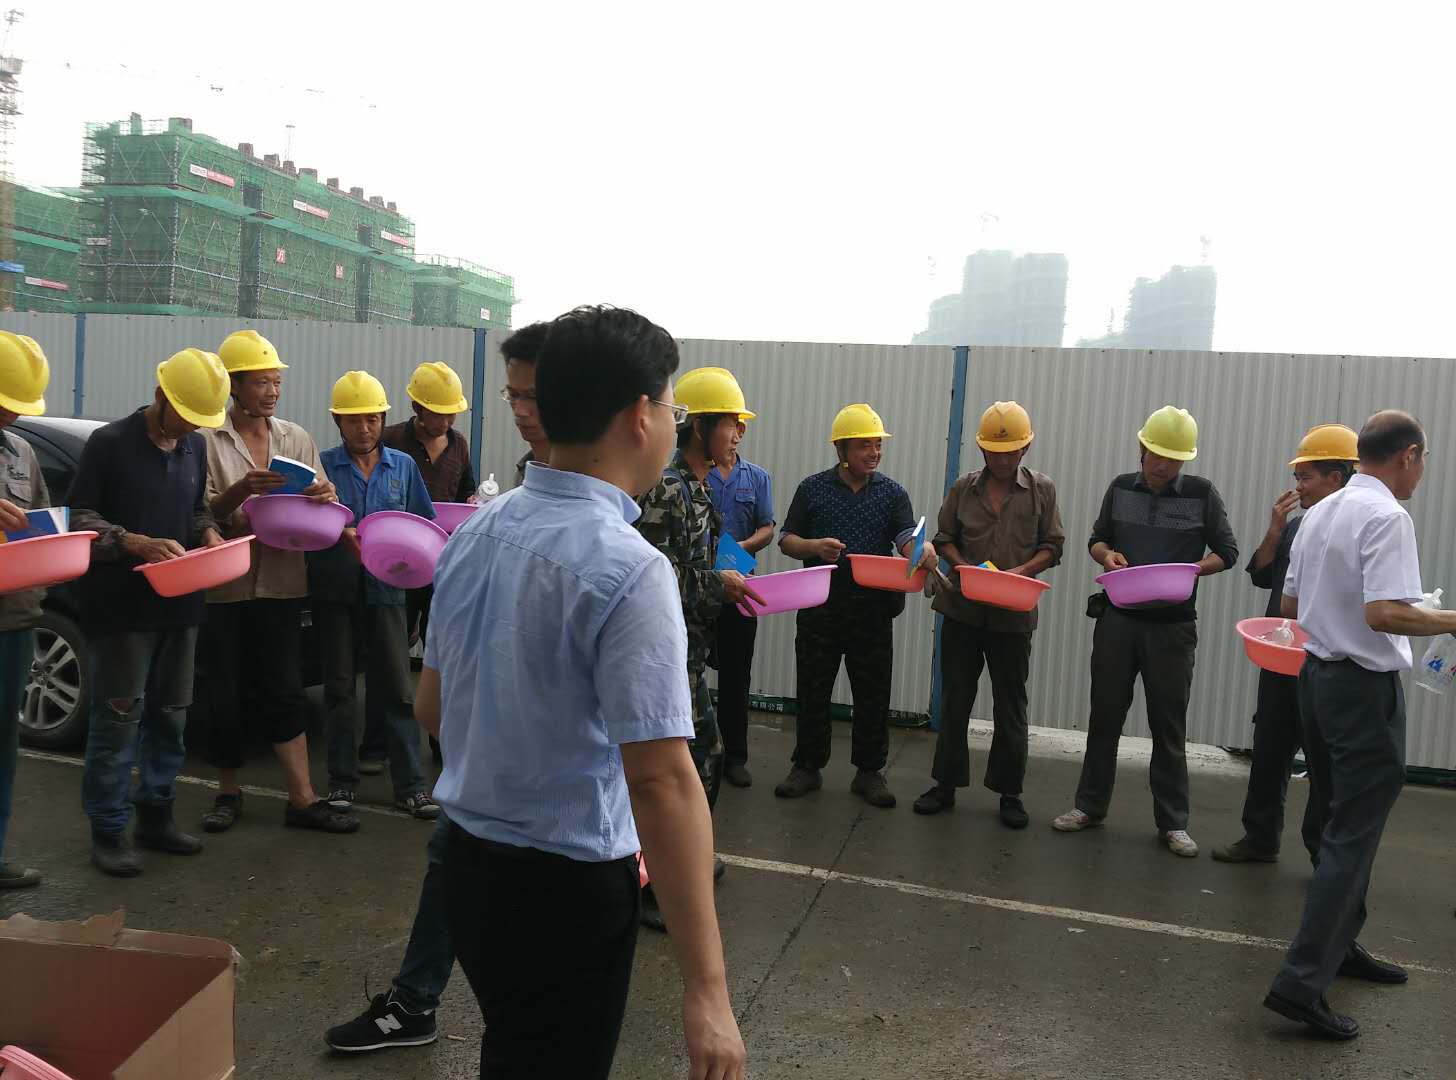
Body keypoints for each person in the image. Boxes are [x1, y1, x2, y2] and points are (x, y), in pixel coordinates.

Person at [423, 305, 745, 1079]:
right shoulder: (628, 569)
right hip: (562, 892)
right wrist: (707, 991)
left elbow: (430, 707)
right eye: (671, 408)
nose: (672, 424)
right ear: (639, 416)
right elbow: (663, 781)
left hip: (466, 864)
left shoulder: (477, 529)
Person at [324, 334, 553, 1054]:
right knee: (348, 690)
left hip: (414, 591)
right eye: (514, 397)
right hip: (363, 593)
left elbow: (433, 516)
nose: (445, 421)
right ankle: (424, 1000)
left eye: (527, 399)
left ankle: (444, 1002)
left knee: (480, 860)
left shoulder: (464, 475)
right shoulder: (361, 459)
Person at [1264, 410, 1446, 1040]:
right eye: (1422, 462)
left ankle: (1340, 946)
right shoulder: (1387, 516)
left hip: (1317, 681)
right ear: (1409, 455)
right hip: (1363, 691)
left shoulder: (1320, 513)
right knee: (1352, 835)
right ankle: (1301, 982)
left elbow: (1292, 604)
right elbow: (1384, 614)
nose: (1420, 473)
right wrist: (1450, 620)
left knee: (1334, 823)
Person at [1052, 405, 1238, 857]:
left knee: (1168, 725)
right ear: (1142, 448)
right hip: (1119, 622)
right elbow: (1097, 538)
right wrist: (1106, 556)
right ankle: (1089, 806)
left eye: (1173, 459)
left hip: (1172, 629)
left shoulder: (1201, 494)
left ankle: (1173, 823)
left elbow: (1228, 551)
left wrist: (1193, 569)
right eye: (1156, 455)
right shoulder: (1120, 488)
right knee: (1104, 718)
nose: (1162, 465)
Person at [72, 348, 229, 877]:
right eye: (185, 415)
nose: (191, 427)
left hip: (181, 605)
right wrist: (131, 542)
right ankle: (109, 828)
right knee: (118, 720)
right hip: (122, 611)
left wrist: (209, 532)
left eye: (199, 420)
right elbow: (80, 517)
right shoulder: (110, 443)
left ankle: (156, 814)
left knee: (171, 716)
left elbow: (197, 508)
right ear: (161, 396)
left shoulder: (194, 447)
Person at [198, 330, 355, 836]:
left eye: (276, 382)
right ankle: (227, 791)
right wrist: (241, 491)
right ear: (233, 385)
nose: (272, 392)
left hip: (284, 583)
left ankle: (302, 798)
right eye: (261, 382)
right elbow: (199, 512)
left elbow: (321, 504)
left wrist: (324, 495)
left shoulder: (295, 438)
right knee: (224, 692)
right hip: (226, 586)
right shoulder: (206, 440)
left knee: (285, 689)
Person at [634, 366, 764, 930]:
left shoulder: (699, 489)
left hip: (689, 648)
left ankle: (681, 860)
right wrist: (719, 584)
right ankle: (656, 881)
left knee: (701, 760)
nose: (739, 433)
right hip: (664, 653)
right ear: (700, 427)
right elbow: (654, 577)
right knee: (687, 766)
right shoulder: (668, 490)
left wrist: (730, 577)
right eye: (731, 423)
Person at [775, 403, 938, 809]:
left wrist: (919, 550)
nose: (874, 453)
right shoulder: (812, 489)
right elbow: (787, 540)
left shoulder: (892, 493)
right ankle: (807, 766)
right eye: (865, 445)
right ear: (842, 449)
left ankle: (869, 772)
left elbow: (905, 536)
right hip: (820, 609)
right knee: (813, 689)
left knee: (873, 693)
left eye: (877, 445)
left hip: (873, 611)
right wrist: (814, 546)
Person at [914, 401, 1065, 828]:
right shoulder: (964, 488)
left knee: (1010, 704)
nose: (1001, 460)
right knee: (955, 698)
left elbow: (1053, 546)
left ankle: (1009, 793)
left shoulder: (1041, 490)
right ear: (982, 449)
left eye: (1010, 452)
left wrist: (1020, 573)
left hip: (1013, 615)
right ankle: (945, 784)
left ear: (1025, 448)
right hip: (962, 609)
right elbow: (944, 536)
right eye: (994, 452)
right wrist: (963, 567)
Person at [1213, 424, 1357, 865]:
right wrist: (1276, 529)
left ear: (1336, 477)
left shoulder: (1356, 528)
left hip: (1326, 663)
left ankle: (1322, 855)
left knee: (1323, 762)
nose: (1298, 486)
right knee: (1270, 748)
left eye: (1306, 477)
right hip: (1281, 656)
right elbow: (1261, 574)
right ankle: (1260, 838)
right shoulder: (1297, 527)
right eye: (1298, 477)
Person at [309, 370, 438, 820]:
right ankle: (341, 783)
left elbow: (422, 524)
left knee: (397, 690)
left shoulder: (402, 466)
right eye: (353, 420)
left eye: (372, 419)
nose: (364, 428)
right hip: (336, 589)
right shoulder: (323, 467)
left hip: (388, 592)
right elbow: (309, 529)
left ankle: (412, 787)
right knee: (340, 689)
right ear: (338, 422)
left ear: (383, 420)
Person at [360, 361, 475, 774]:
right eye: (438, 412)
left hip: (442, 563)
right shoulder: (390, 440)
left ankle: (441, 742)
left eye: (451, 413)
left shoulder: (459, 445)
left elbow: (466, 491)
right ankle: (376, 745)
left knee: (442, 655)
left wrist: (474, 501)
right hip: (395, 564)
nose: (445, 420)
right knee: (388, 658)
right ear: (416, 408)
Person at [697, 368, 775, 790]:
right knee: (691, 670)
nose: (737, 433)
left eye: (741, 426)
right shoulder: (695, 475)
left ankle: (735, 757)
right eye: (732, 424)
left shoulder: (757, 477)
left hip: (741, 587)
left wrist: (743, 546)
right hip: (698, 587)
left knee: (736, 675)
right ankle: (695, 755)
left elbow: (769, 527)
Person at [0, 332, 53, 889]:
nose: (13, 414)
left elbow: (38, 522)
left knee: (3, 745)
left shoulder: (21, 451)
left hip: (13, 618)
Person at [499, 322, 550, 487]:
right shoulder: (525, 472)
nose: (519, 411)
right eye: (513, 395)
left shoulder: (599, 483)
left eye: (533, 396)